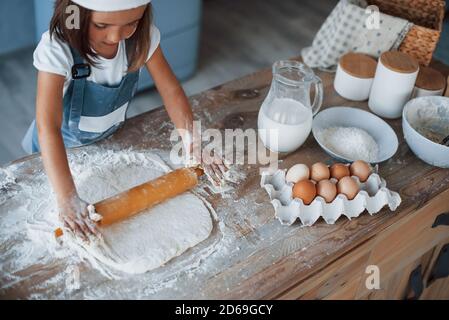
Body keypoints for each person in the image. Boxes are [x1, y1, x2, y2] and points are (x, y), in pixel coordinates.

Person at [22, 0, 227, 241]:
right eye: (101, 25)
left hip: (109, 138)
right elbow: (48, 127)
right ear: (74, 13)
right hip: (59, 154)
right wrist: (67, 197)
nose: (116, 36)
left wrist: (192, 141)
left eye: (131, 22)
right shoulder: (58, 49)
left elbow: (170, 90)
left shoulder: (142, 39)